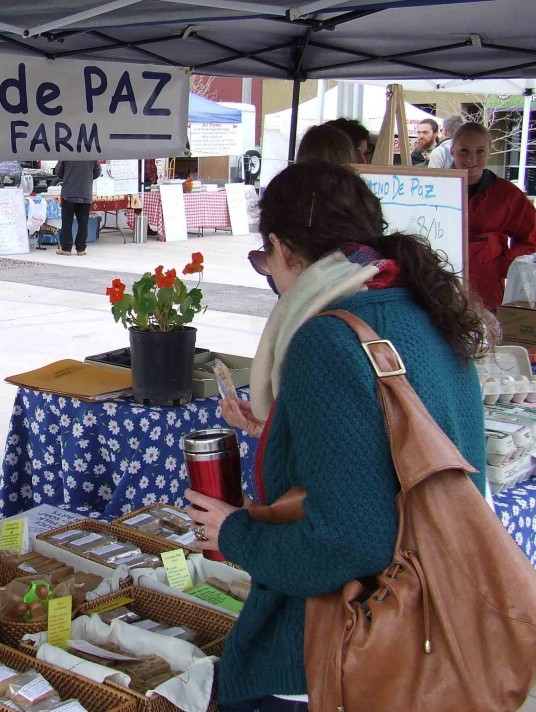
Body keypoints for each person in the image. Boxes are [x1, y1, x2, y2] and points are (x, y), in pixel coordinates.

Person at [185, 161, 489, 712]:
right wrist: (283, 439)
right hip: (434, 627)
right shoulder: (425, 308)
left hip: (340, 654)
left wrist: (235, 533)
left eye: (264, 261)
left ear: (282, 247)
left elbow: (350, 540)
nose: (271, 278)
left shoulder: (326, 339)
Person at [452, 122, 536, 310]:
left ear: (490, 152)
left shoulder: (507, 195)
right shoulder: (433, 187)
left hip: (486, 293)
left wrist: (502, 263)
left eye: (480, 151)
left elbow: (532, 239)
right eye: (464, 151)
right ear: (452, 151)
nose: (471, 158)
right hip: (436, 290)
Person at [53, 160, 102, 255]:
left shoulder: (66, 153)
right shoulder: (92, 154)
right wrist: (87, 177)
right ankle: (81, 248)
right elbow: (97, 172)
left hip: (68, 193)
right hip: (85, 192)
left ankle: (66, 248)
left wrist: (68, 175)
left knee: (67, 222)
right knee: (83, 223)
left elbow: (58, 171)